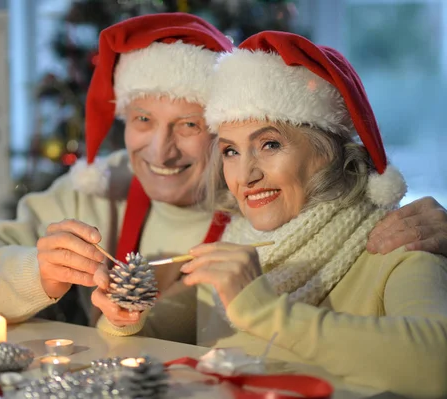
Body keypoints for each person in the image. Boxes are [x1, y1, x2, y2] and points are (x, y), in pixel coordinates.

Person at [0, 13, 447, 328]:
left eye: (187, 124)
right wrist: (35, 272)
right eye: (142, 120)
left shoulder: (269, 203)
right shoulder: (100, 187)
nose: (160, 150)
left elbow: (358, 228)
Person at [97, 32, 447, 396]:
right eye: (231, 151)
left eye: (270, 144)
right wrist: (125, 316)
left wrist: (264, 311)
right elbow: (155, 331)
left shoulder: (399, 240)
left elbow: (438, 365)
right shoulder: (240, 238)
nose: (246, 176)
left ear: (328, 151)